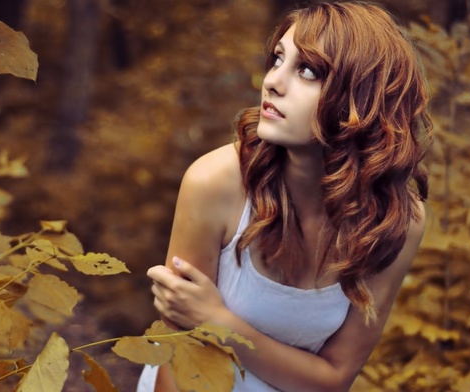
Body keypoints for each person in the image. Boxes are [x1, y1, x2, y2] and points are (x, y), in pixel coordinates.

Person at [137, 1, 433, 391]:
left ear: (361, 99)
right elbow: (176, 356)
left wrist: (217, 320)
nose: (273, 81)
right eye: (278, 59)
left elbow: (334, 378)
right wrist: (200, 322)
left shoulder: (395, 221)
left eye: (307, 71)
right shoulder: (215, 182)